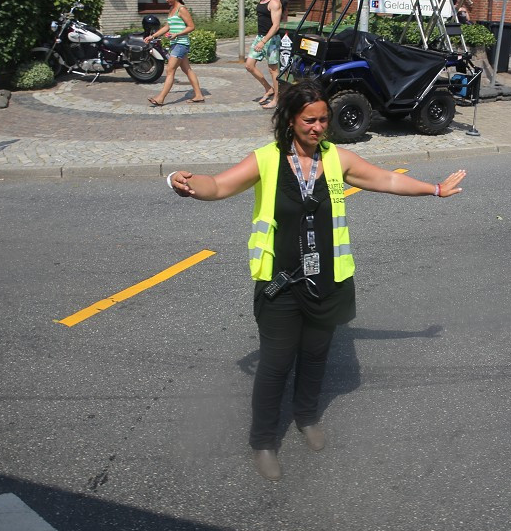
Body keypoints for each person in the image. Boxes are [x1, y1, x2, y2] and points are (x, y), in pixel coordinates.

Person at [165, 79, 467, 481]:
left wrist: (434, 189)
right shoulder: (267, 160)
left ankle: (307, 417)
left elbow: (387, 180)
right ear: (290, 120)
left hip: (326, 280)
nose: (318, 127)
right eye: (310, 120)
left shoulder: (336, 159)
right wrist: (184, 183)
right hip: (281, 283)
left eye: (324, 119)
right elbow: (218, 185)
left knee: (314, 357)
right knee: (275, 365)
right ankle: (264, 440)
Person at [145, 0, 205, 106]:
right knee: (187, 69)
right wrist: (153, 36)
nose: (167, 0)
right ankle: (199, 95)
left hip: (181, 44)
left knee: (170, 70)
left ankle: (161, 98)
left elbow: (191, 26)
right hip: (175, 44)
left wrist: (177, 34)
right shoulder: (172, 9)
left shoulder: (181, 9)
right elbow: (167, 27)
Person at [246, 0, 284, 110]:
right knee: (249, 65)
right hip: (260, 36)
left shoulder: (274, 2)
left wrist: (263, 41)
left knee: (273, 70)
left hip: (271, 39)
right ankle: (269, 88)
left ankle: (276, 99)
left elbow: (276, 26)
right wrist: (260, 39)